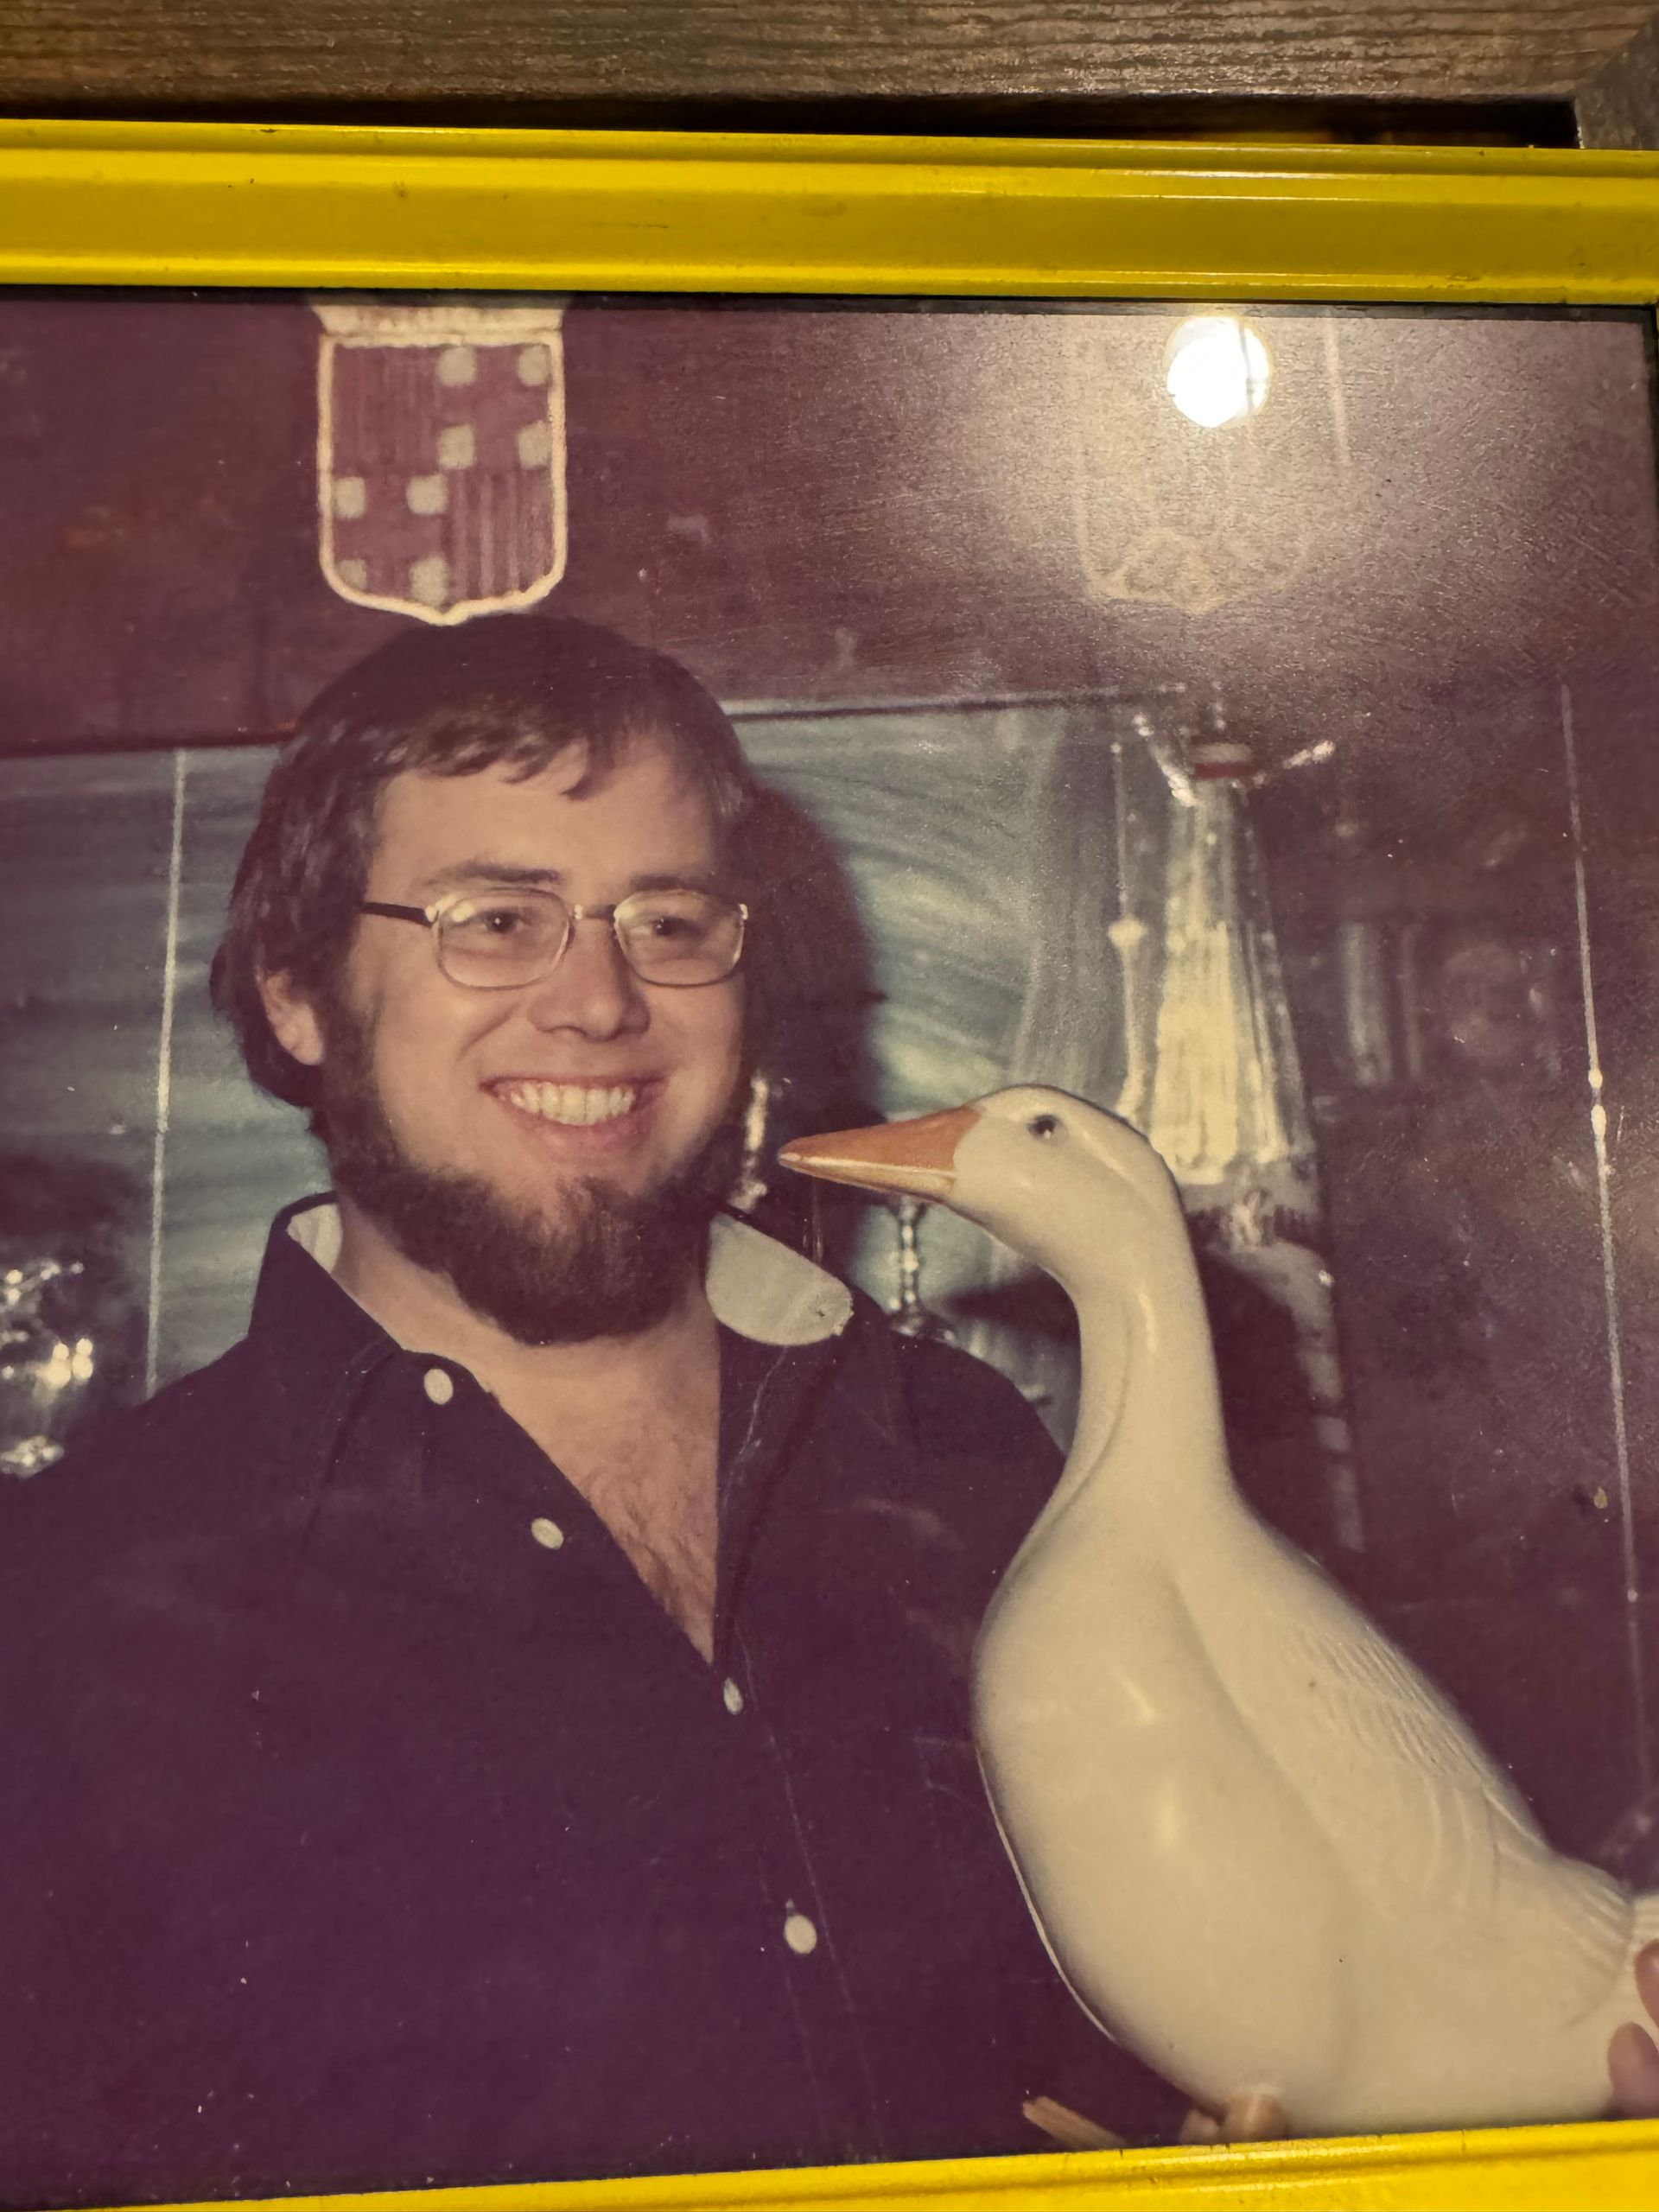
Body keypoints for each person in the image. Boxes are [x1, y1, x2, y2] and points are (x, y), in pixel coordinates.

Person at [4, 614, 1657, 2209]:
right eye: (495, 921)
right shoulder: (70, 1612)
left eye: (666, 920)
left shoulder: (983, 1466)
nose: (597, 1002)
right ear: (298, 995)